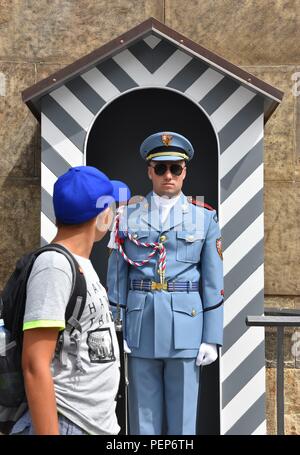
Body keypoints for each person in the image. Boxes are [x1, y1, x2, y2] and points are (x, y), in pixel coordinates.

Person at [107, 132, 224, 435]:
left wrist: (212, 336)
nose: (168, 175)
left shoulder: (204, 218)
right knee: (142, 418)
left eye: (176, 168)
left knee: (184, 419)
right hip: (139, 324)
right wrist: (116, 327)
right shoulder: (127, 216)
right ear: (149, 171)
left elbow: (213, 281)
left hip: (186, 324)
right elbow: (117, 276)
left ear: (185, 171)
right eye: (161, 168)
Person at [10, 166, 130, 435]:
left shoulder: (79, 264)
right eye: (111, 206)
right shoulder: (55, 266)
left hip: (90, 424)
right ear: (101, 216)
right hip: (67, 422)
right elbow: (34, 364)